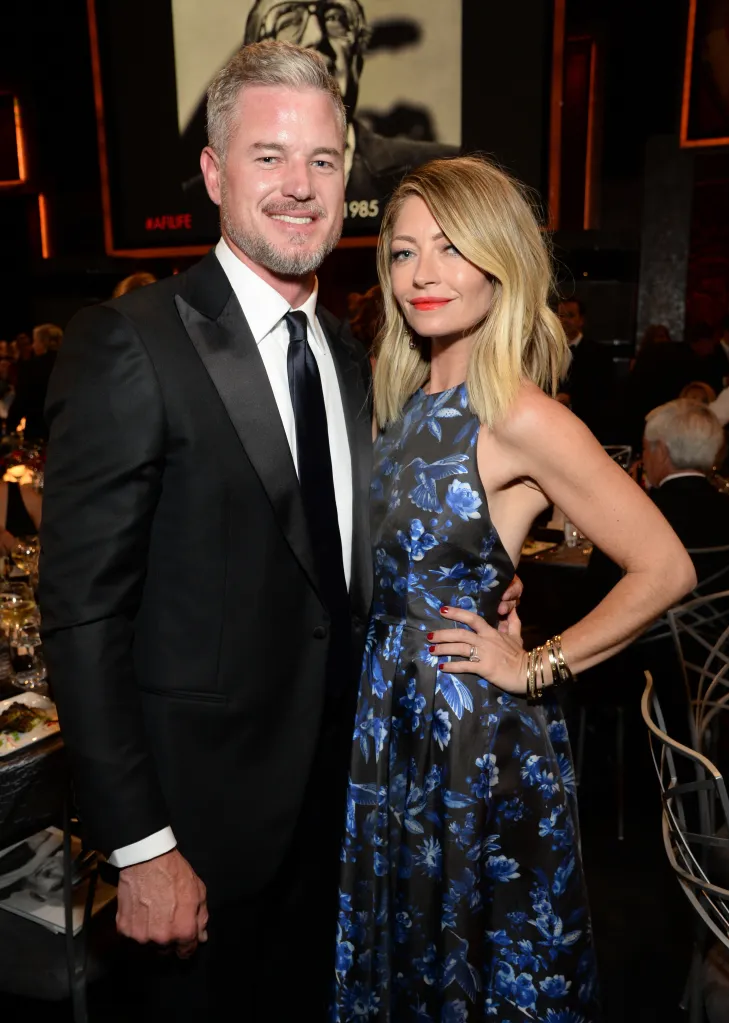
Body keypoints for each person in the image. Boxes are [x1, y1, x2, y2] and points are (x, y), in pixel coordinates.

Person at [39, 42, 521, 1021]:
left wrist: (476, 581)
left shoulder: (351, 355)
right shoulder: (131, 344)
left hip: (342, 818)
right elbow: (81, 619)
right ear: (216, 174)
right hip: (199, 845)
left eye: (324, 161)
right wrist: (141, 848)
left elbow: (333, 561)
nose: (300, 187)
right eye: (269, 157)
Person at [332, 156, 695, 1022]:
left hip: (466, 733)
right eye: (402, 251)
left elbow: (665, 566)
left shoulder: (521, 415)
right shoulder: (404, 400)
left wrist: (534, 666)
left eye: (451, 248)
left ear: (500, 262)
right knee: (409, 959)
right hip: (388, 717)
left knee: (471, 964)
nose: (421, 273)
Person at [180, 0, 457, 236]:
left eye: (336, 19)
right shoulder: (189, 199)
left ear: (358, 58)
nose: (316, 36)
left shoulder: (446, 172)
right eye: (289, 18)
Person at [642, 399, 729, 550]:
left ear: (661, 452)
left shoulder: (639, 516)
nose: (643, 458)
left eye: (644, 448)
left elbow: (603, 573)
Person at [555, 296, 613, 440]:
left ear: (581, 320)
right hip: (552, 427)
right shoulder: (546, 351)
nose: (564, 320)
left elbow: (604, 394)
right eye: (561, 315)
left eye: (570, 316)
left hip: (587, 429)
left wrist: (572, 399)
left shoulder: (598, 353)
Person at [7, 325, 59, 441]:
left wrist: (10, 428)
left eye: (35, 341)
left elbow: (22, 400)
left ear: (43, 342)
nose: (33, 346)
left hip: (39, 430)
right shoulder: (73, 366)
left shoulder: (32, 367)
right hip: (65, 430)